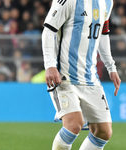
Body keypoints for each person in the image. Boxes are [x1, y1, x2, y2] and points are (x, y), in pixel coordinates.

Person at [41, 0, 121, 150]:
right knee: (73, 125)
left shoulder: (108, 2)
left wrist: (111, 67)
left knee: (103, 131)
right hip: (64, 76)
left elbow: (102, 34)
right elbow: (48, 30)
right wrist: (50, 65)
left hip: (90, 77)